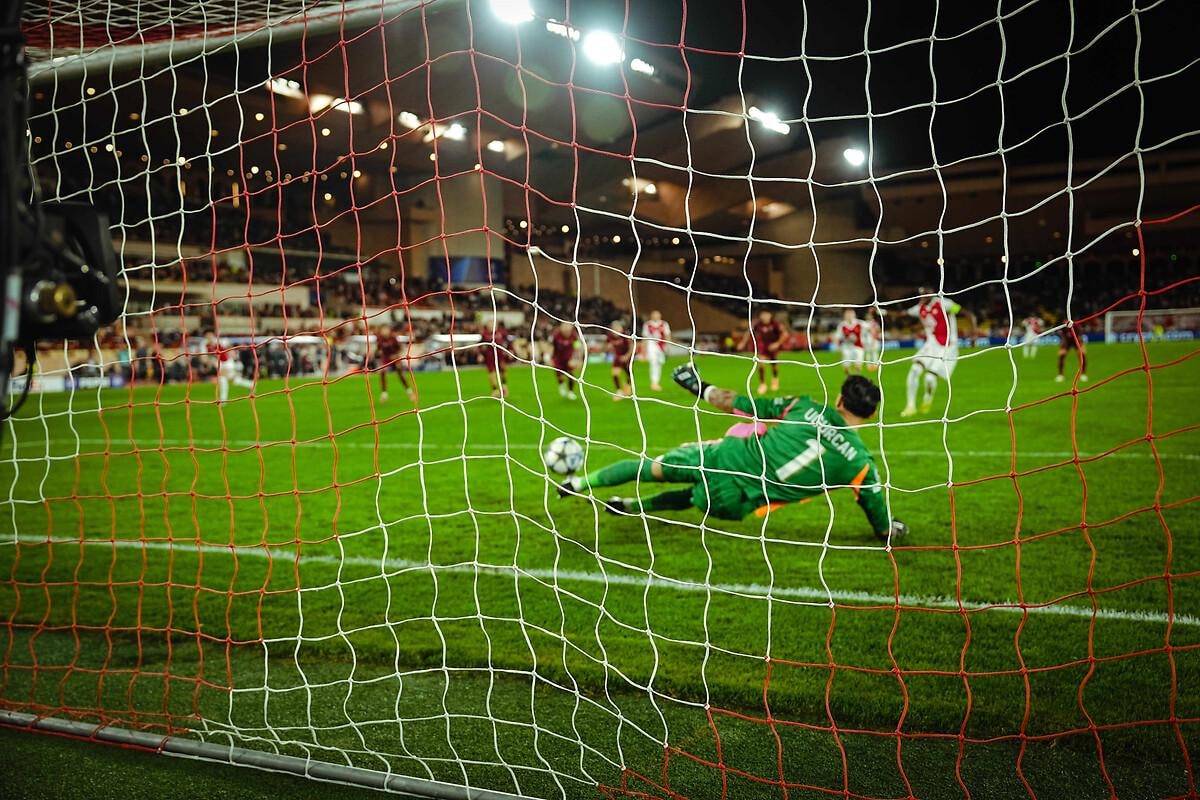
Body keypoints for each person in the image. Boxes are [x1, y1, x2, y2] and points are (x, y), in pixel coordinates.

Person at [558, 365, 907, 541]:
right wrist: (887, 530)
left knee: (653, 468)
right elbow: (875, 508)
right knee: (695, 497)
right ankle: (631, 506)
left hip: (725, 456)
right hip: (740, 499)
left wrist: (699, 386)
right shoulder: (860, 464)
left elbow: (743, 404)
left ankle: (579, 483)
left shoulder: (803, 407)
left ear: (840, 399)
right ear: (871, 415)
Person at [901, 289, 962, 417]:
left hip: (947, 346)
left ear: (932, 294)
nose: (922, 296)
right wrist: (882, 312)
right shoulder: (919, 308)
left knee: (929, 378)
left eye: (925, 294)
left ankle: (927, 400)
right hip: (931, 344)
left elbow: (964, 312)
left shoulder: (944, 303)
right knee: (914, 370)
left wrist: (973, 331)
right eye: (921, 294)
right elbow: (902, 314)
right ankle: (910, 406)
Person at [740, 309, 786, 394]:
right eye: (763, 315)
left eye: (766, 314)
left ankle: (775, 379)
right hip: (763, 346)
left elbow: (785, 334)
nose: (765, 317)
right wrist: (743, 342)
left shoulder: (775, 324)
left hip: (773, 347)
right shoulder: (757, 324)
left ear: (770, 315)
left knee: (774, 365)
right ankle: (762, 384)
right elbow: (749, 332)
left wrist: (777, 343)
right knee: (761, 364)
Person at [205, 330, 253, 403]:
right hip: (219, 363)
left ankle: (223, 400)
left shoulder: (219, 341)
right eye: (207, 335)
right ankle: (250, 384)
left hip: (227, 362)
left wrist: (233, 356)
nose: (208, 337)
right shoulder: (207, 345)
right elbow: (210, 356)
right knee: (233, 380)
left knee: (223, 379)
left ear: (212, 335)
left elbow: (229, 348)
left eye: (210, 335)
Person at [375, 324, 415, 403]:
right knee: (382, 373)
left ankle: (410, 392)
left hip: (394, 358)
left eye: (386, 330)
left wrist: (396, 355)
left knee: (400, 373)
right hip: (385, 358)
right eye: (383, 330)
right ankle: (384, 395)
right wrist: (378, 353)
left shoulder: (393, 338)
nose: (385, 332)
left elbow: (399, 349)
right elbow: (378, 349)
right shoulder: (380, 339)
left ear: (389, 330)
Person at [480, 317, 512, 398]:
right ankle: (495, 390)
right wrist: (480, 354)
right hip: (490, 356)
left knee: (503, 370)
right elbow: (481, 345)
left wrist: (510, 350)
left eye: (492, 323)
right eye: (489, 324)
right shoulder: (484, 334)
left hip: (500, 355)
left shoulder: (501, 333)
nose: (490, 325)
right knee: (491, 372)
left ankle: (504, 387)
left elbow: (508, 342)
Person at [641, 310, 672, 392]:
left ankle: (656, 381)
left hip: (661, 345)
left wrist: (668, 345)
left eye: (657, 315)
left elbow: (667, 334)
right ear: (651, 316)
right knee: (653, 362)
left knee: (660, 363)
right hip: (651, 345)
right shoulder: (647, 324)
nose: (656, 316)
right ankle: (654, 382)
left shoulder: (664, 324)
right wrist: (643, 349)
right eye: (654, 315)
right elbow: (645, 337)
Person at [549, 321, 581, 400]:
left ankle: (570, 392)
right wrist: (550, 358)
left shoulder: (574, 336)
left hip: (569, 359)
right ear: (561, 328)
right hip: (558, 359)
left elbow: (578, 348)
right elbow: (551, 347)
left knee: (571, 375)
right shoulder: (556, 336)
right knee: (560, 376)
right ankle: (561, 385)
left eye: (568, 328)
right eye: (565, 328)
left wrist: (578, 359)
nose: (566, 330)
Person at [832, 308, 866, 375]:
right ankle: (849, 377)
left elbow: (871, 328)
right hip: (846, 348)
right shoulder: (842, 325)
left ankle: (857, 377)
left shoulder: (861, 323)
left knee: (858, 365)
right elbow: (837, 337)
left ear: (854, 315)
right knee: (846, 367)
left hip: (858, 346)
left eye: (851, 314)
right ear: (844, 316)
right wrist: (837, 346)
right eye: (847, 314)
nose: (849, 316)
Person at [607, 320, 634, 400]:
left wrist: (627, 356)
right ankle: (618, 391)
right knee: (615, 374)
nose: (616, 330)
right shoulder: (610, 336)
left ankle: (628, 385)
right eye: (614, 328)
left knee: (628, 373)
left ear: (621, 328)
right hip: (618, 357)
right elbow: (607, 346)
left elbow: (631, 346)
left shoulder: (625, 335)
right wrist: (608, 348)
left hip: (627, 357)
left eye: (618, 328)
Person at [864, 308, 882, 372]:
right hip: (867, 340)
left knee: (875, 352)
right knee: (868, 353)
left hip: (874, 339)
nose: (868, 316)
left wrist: (875, 337)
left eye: (869, 315)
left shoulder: (874, 323)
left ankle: (875, 365)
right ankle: (868, 365)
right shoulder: (864, 323)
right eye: (867, 315)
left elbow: (878, 330)